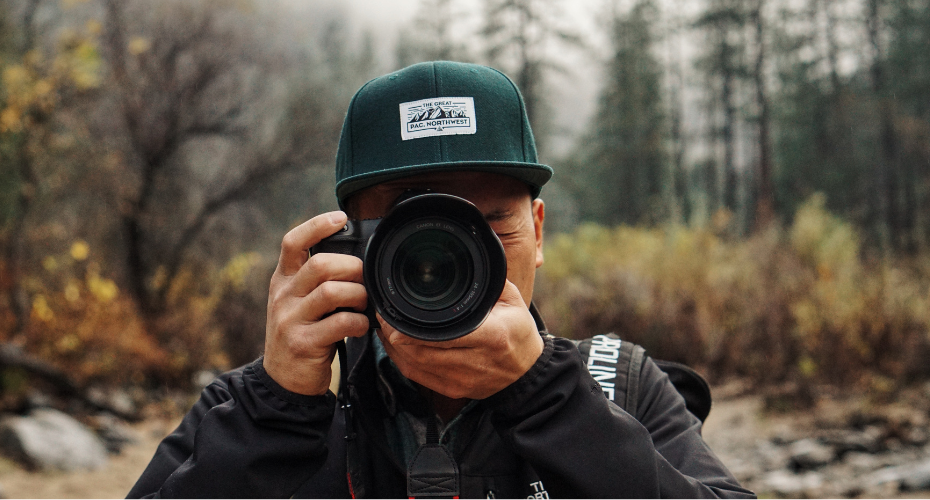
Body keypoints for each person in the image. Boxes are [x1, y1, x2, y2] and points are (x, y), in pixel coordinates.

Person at [128, 61, 754, 499]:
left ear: (539, 231)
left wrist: (550, 400)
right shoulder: (253, 408)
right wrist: (277, 414)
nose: (448, 262)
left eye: (488, 226)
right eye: (413, 235)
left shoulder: (619, 388)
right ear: (348, 243)